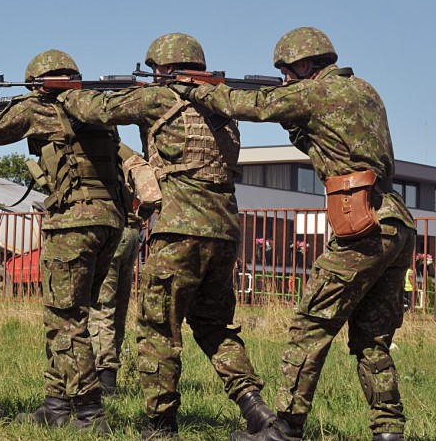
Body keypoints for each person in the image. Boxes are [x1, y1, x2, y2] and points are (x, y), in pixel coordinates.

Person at [177, 27, 416, 441]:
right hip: (395, 219)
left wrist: (198, 89)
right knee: (372, 339)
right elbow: (323, 140)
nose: (285, 79)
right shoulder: (364, 90)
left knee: (310, 326)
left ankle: (284, 427)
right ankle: (389, 431)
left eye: (287, 72)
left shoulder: (315, 92)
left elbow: (248, 105)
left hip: (362, 222)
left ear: (305, 65)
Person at [61, 33, 273, 439]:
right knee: (215, 326)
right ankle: (257, 412)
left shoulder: (159, 98)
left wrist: (66, 95)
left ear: (162, 69)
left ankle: (160, 426)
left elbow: (97, 109)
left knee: (158, 330)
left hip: (179, 230)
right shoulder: (221, 106)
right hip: (225, 229)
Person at [0, 50, 125, 435]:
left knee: (65, 318)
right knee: (70, 313)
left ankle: (90, 414)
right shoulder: (94, 110)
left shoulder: (42, 107)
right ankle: (56, 405)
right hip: (109, 223)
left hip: (74, 224)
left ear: (39, 84)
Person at [88, 144, 153, 397]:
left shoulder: (94, 150)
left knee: (102, 308)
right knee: (118, 309)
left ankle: (105, 383)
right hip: (131, 233)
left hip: (112, 232)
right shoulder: (126, 152)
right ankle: (110, 376)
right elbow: (150, 192)